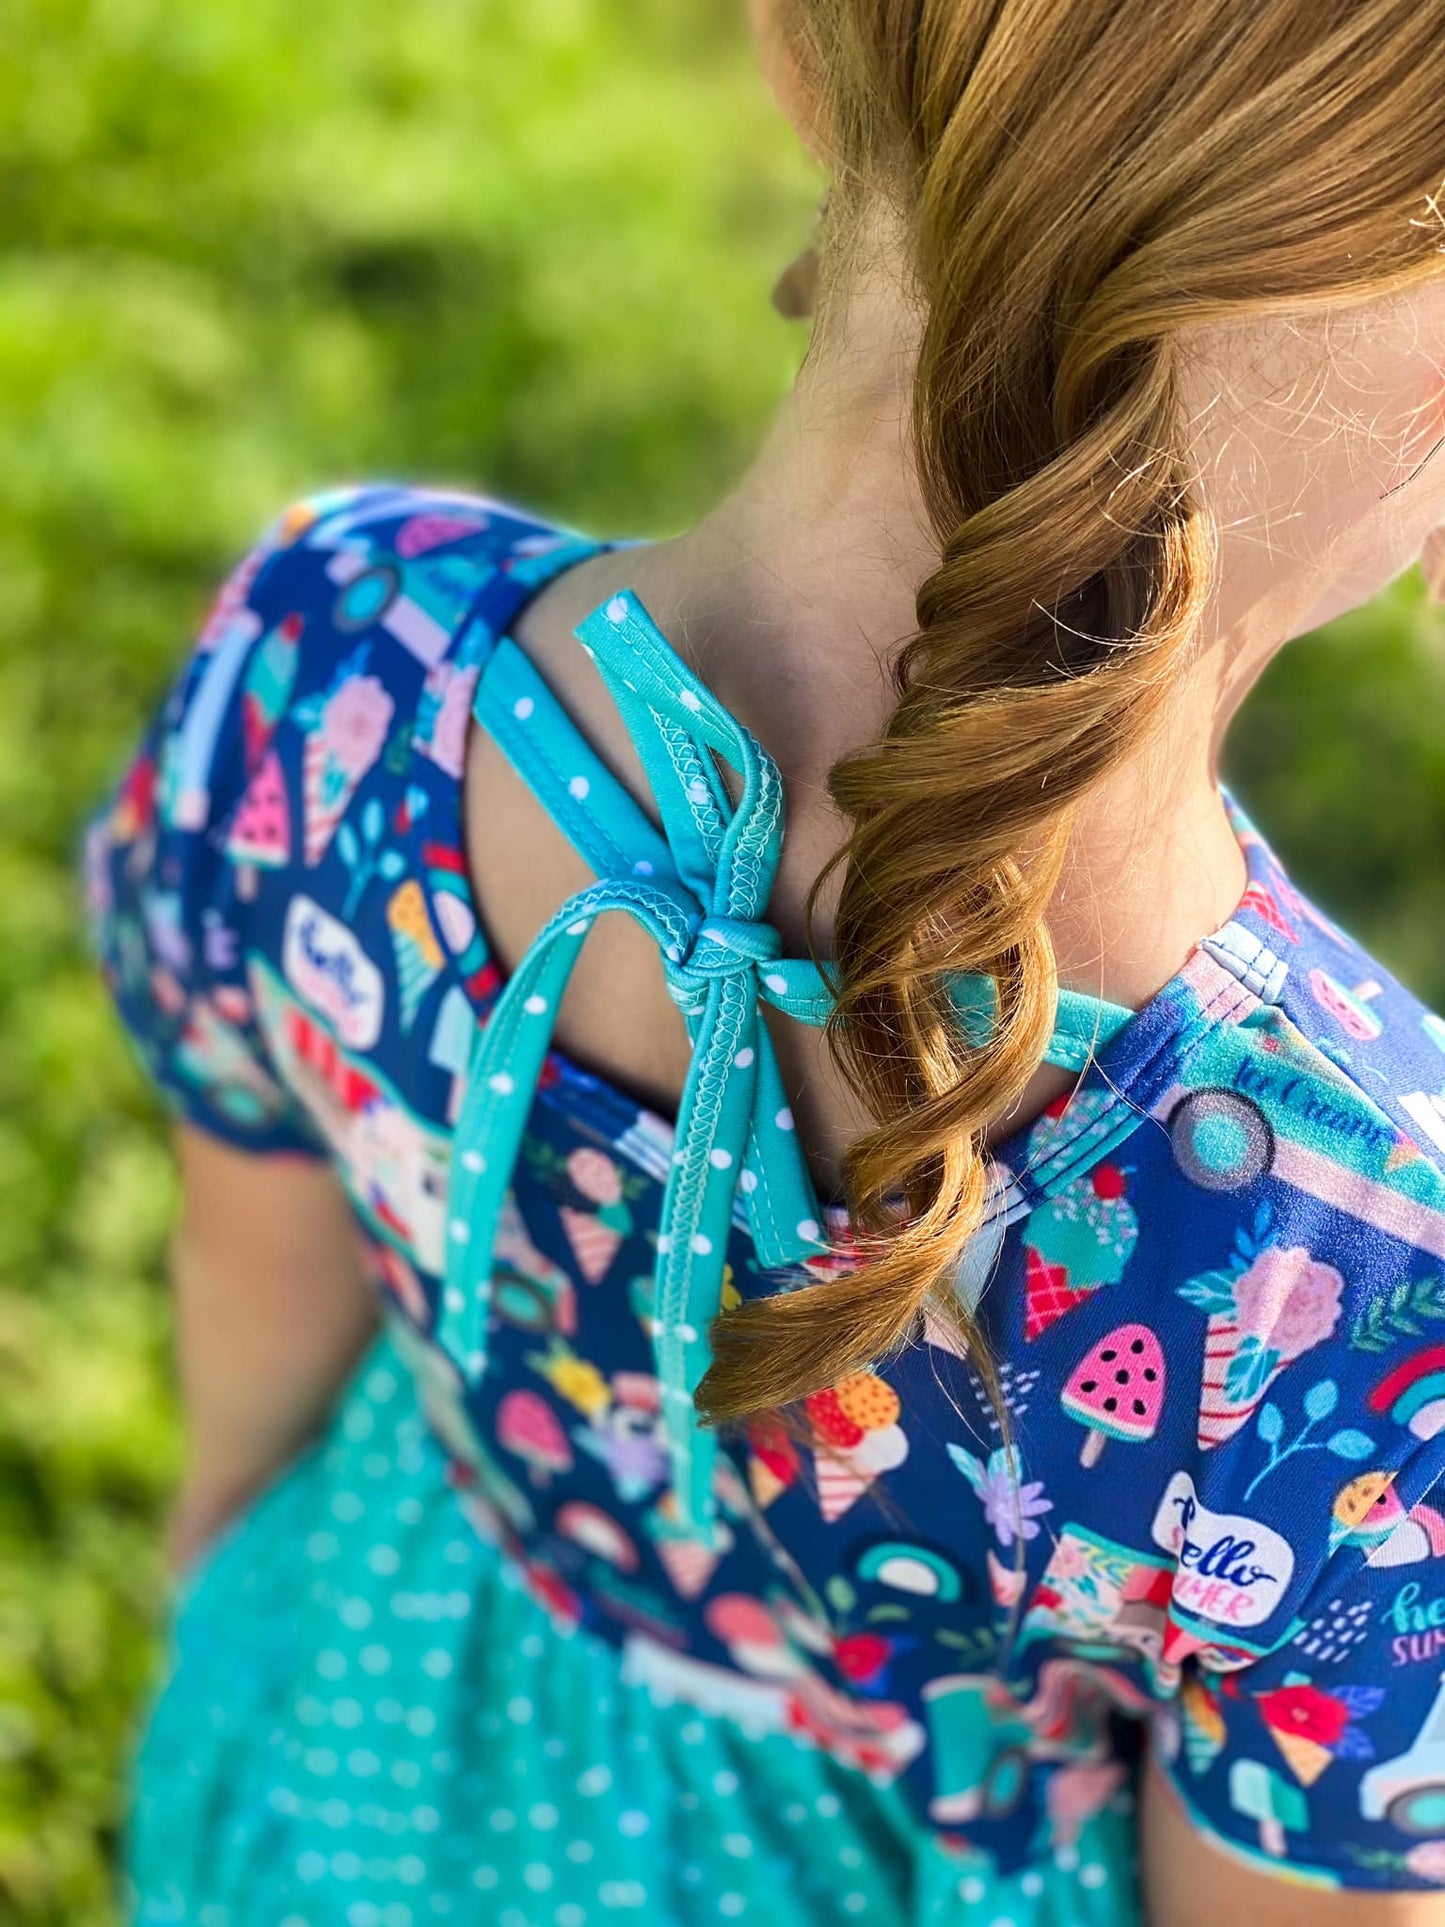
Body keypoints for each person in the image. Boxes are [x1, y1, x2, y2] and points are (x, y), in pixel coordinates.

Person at [84, 2, 1445, 1922]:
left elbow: (256, 1294)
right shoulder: (1369, 1264)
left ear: (795, 53)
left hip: (358, 1764)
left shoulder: (334, 660)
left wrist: (240, 1591)